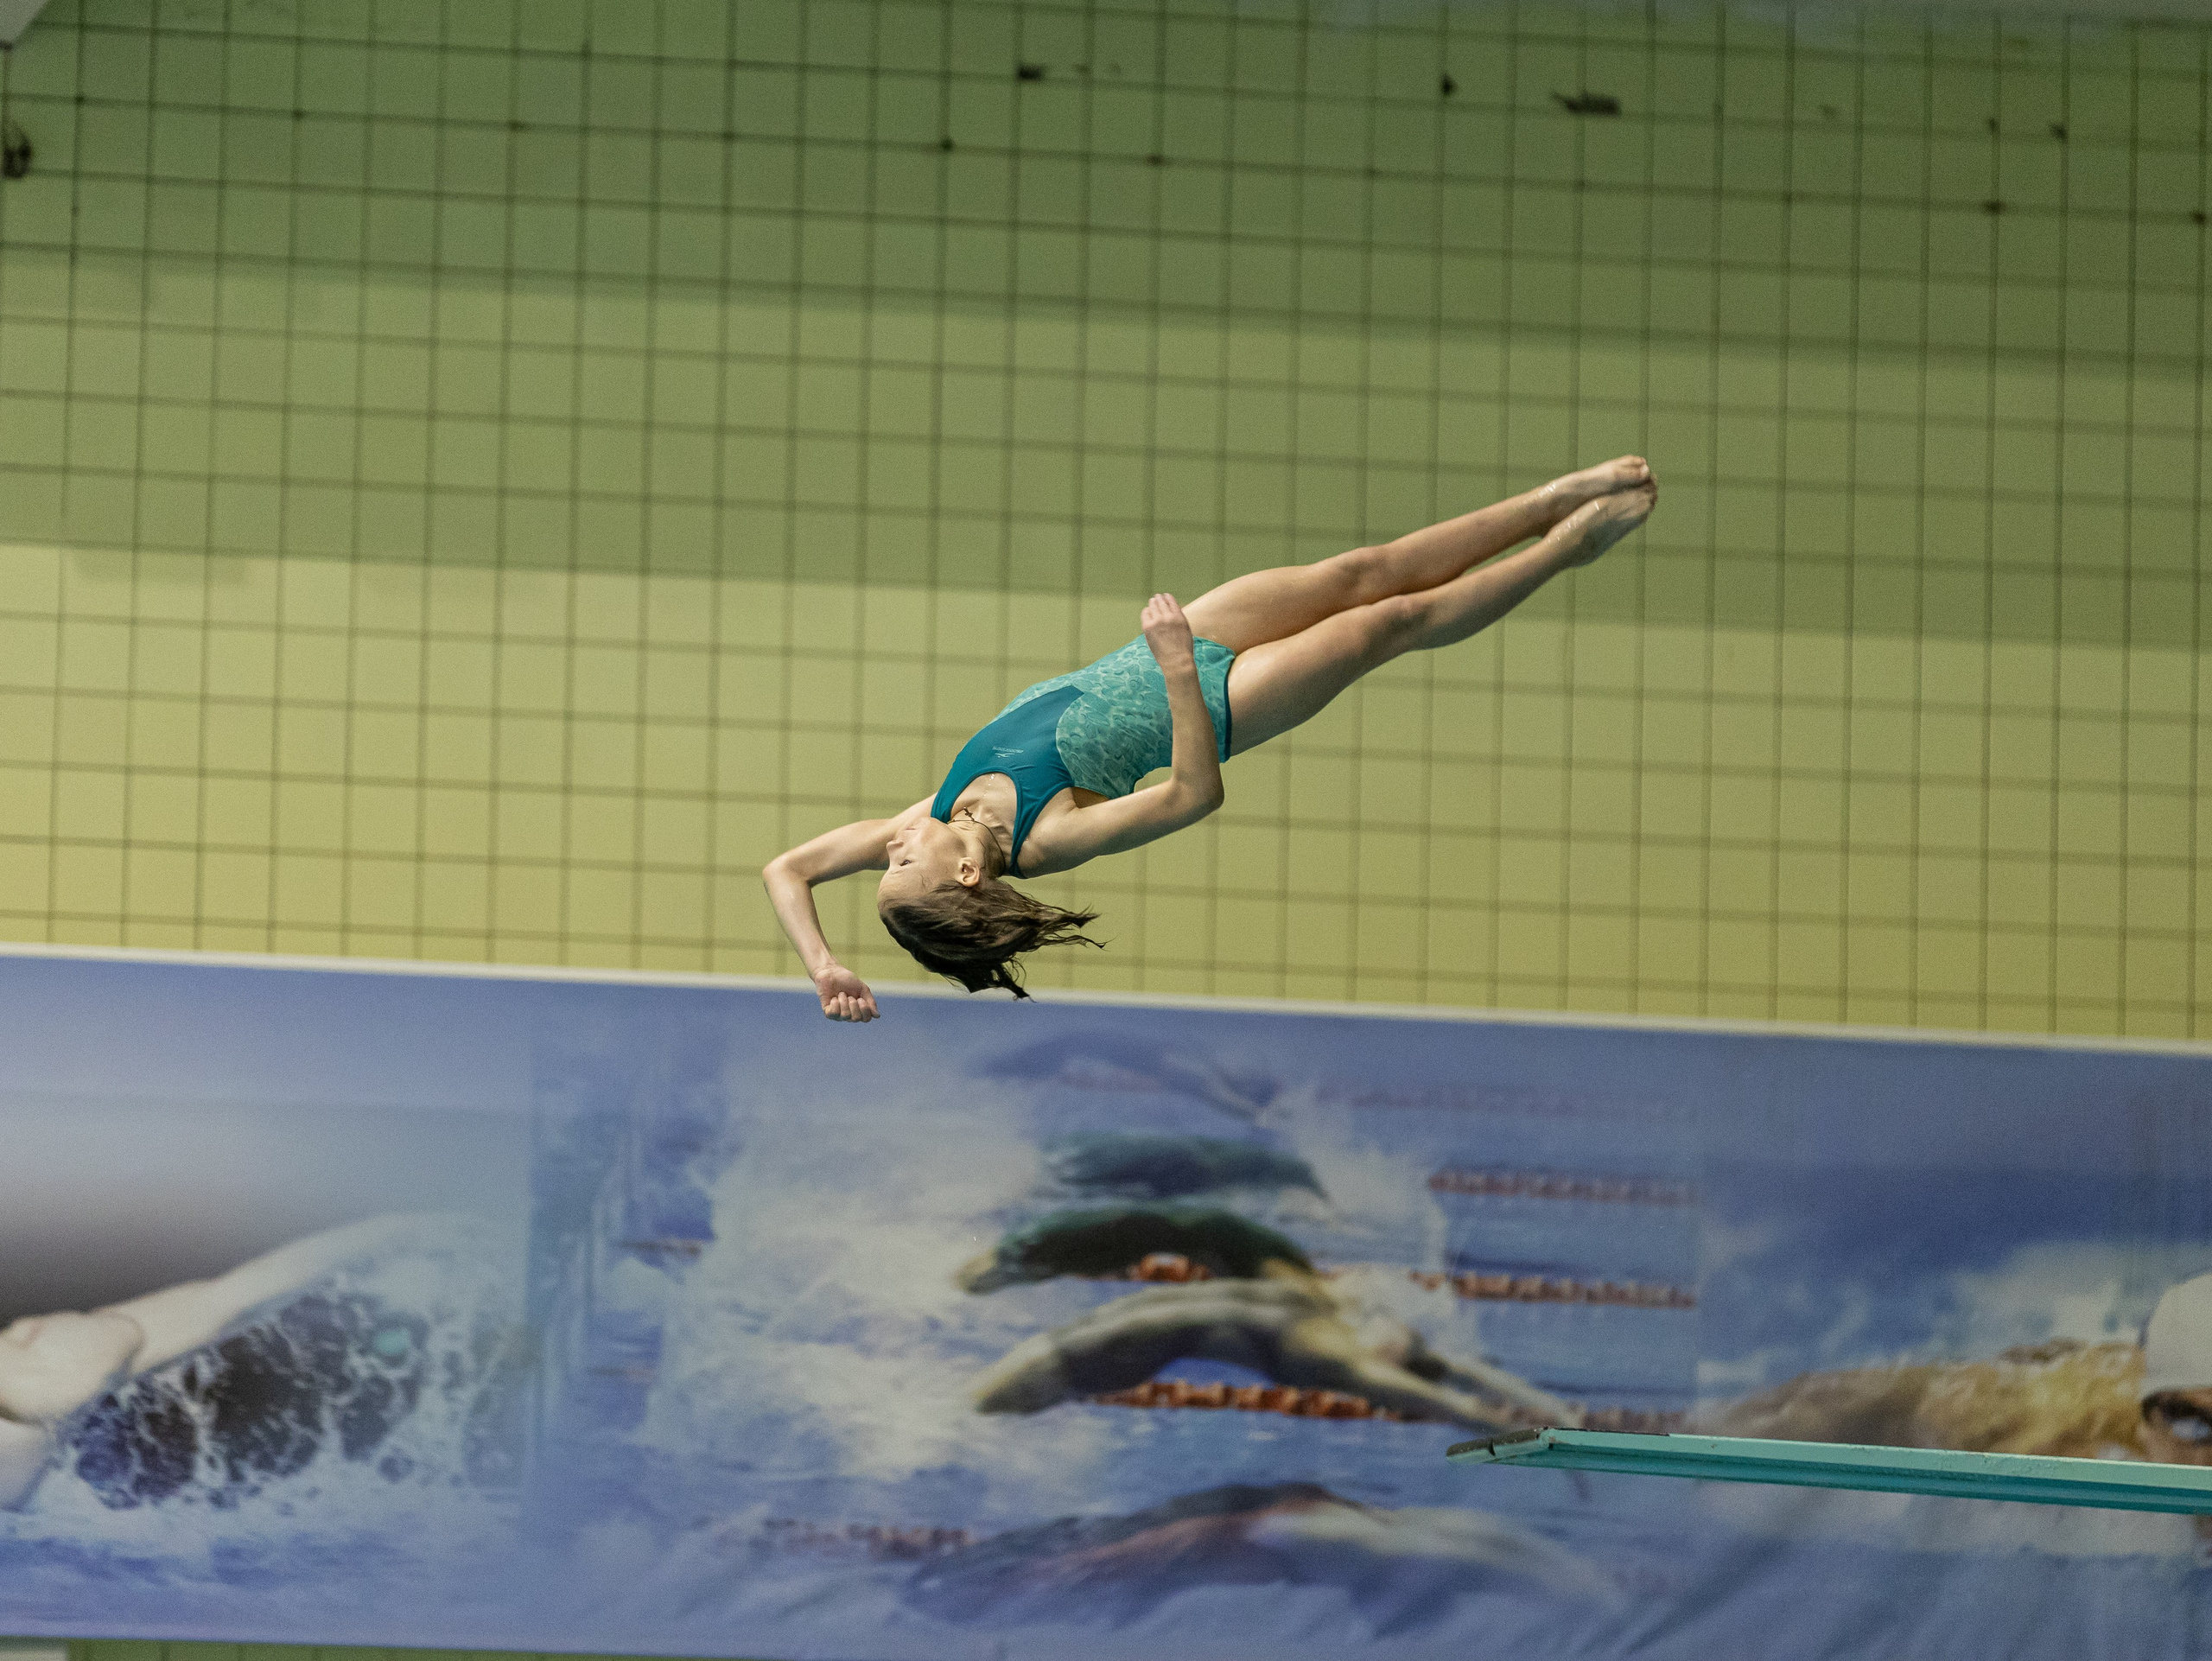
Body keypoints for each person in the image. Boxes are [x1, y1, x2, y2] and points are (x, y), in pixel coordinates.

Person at [765, 459, 1658, 1020]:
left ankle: (1545, 499)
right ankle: (1562, 550)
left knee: (1361, 570)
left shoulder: (943, 805)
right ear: (964, 875)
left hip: (1185, 635)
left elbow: (788, 868)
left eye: (882, 866)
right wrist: (1179, 673)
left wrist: (823, 966)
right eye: (898, 867)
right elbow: (1191, 794)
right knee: (1394, 619)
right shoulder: (1044, 838)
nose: (888, 845)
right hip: (1223, 698)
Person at [0, 1213, 431, 1509]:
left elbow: (231, 1299)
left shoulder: (44, 1381)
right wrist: (399, 1232)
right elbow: (230, 1299)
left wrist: (395, 1232)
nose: (30, 1323)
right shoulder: (46, 1379)